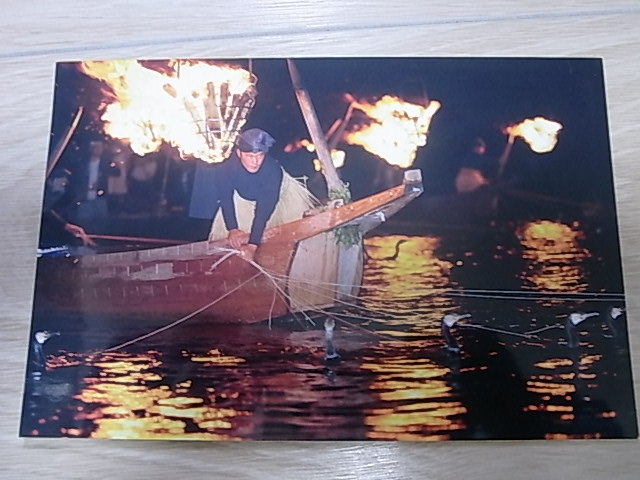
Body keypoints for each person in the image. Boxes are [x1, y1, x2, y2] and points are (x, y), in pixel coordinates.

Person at [191, 128, 315, 261]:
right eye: (250, 156)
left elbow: (263, 211)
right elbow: (226, 198)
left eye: (259, 155)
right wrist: (232, 229)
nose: (255, 162)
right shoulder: (225, 168)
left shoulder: (272, 171)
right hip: (243, 197)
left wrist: (252, 245)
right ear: (239, 153)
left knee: (282, 242)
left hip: (280, 200)